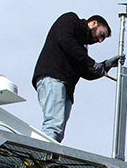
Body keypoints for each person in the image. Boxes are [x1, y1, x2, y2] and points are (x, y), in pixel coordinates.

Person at [31, 12, 122, 142]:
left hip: (65, 87)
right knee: (54, 124)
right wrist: (91, 62)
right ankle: (41, 155)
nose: (100, 40)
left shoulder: (81, 48)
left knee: (58, 130)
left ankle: (46, 157)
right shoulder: (71, 20)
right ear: (94, 23)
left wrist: (105, 65)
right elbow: (65, 40)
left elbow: (86, 72)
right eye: (101, 34)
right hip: (53, 77)